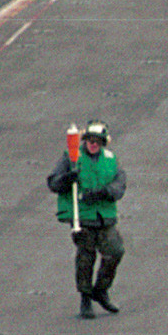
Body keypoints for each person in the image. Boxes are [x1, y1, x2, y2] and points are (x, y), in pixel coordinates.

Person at [45, 119, 126, 319]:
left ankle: (101, 289)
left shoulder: (111, 159)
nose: (93, 143)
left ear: (103, 142)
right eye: (89, 139)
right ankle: (85, 298)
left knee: (115, 251)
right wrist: (67, 179)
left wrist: (103, 192)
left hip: (105, 217)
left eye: (97, 140)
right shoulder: (71, 158)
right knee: (85, 257)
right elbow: (53, 183)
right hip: (83, 217)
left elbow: (120, 184)